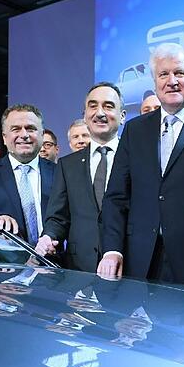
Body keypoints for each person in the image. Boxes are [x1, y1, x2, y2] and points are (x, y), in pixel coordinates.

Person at [98, 42, 184, 286]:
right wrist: (112, 249)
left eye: (179, 73)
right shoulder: (134, 129)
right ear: (154, 83)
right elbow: (116, 196)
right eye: (163, 74)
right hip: (139, 262)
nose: (172, 80)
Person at [36, 83, 126, 271]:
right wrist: (48, 236)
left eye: (108, 106)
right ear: (85, 115)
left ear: (122, 116)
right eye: (93, 106)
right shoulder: (67, 165)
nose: (99, 113)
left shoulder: (136, 158)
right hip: (80, 272)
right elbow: (58, 217)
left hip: (129, 267)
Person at [0, 104, 55, 244]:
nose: (24, 135)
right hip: (4, 262)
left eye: (31, 128)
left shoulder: (60, 172)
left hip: (56, 261)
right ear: (5, 138)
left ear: (42, 135)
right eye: (16, 129)